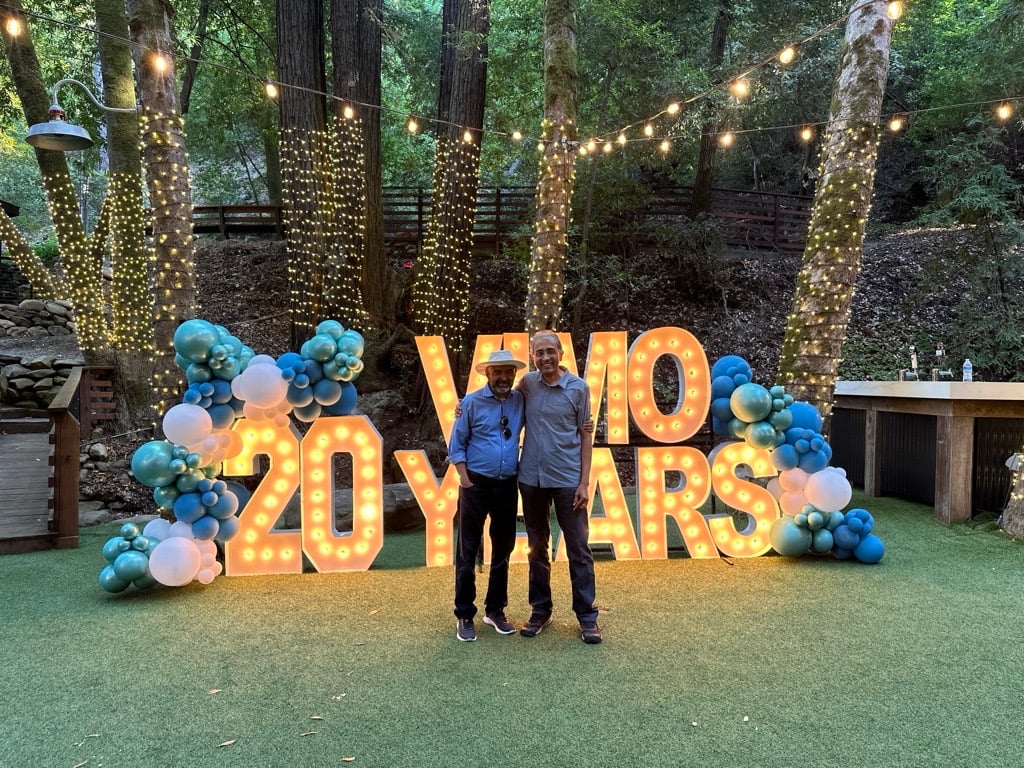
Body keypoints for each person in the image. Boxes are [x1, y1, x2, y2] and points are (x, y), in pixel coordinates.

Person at [517, 331, 601, 644]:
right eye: (539, 353)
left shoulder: (579, 388)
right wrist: (464, 406)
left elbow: (586, 436)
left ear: (561, 353)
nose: (545, 358)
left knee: (578, 549)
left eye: (550, 351)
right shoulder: (527, 384)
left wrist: (584, 482)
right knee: (537, 547)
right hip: (532, 479)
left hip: (568, 481)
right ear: (532, 357)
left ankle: (587, 616)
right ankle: (541, 610)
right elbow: (499, 403)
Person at [447, 349, 527, 642]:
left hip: (507, 484)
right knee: (467, 549)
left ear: (514, 375)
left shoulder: (520, 400)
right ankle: (464, 613)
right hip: (476, 485)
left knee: (503, 549)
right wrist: (465, 479)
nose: (504, 377)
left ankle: (495, 610)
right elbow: (457, 443)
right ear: (487, 374)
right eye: (498, 372)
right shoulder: (470, 403)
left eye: (508, 372)